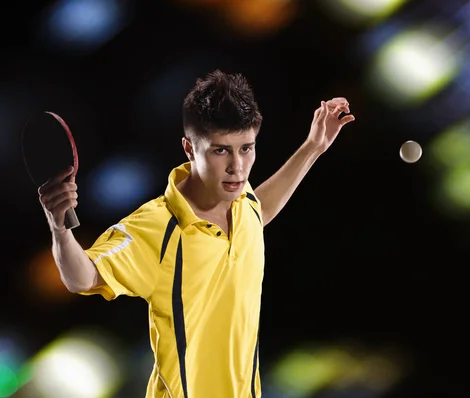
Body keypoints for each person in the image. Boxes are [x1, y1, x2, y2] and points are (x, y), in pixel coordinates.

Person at [37, 69, 355, 398]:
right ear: (189, 148)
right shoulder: (155, 227)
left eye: (246, 148)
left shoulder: (242, 200)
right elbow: (82, 278)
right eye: (220, 151)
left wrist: (313, 147)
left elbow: (259, 212)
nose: (237, 167)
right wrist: (59, 227)